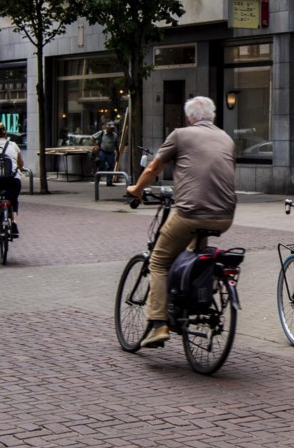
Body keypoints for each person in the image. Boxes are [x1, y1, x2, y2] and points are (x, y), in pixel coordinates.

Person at [126, 96, 236, 348]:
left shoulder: (180, 135)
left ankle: (158, 324)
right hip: (225, 215)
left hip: (189, 212)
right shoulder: (227, 139)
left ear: (189, 118)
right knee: (195, 255)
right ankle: (189, 302)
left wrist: (137, 189)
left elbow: (153, 168)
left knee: (158, 261)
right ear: (214, 117)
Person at [92, 120, 120, 186]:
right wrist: (95, 145)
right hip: (102, 151)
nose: (111, 130)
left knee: (111, 166)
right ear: (107, 128)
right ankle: (97, 181)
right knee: (101, 166)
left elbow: (116, 145)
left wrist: (118, 154)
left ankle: (109, 181)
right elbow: (92, 137)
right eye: (110, 128)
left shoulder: (115, 135)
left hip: (111, 152)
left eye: (113, 128)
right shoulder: (102, 133)